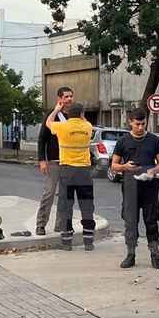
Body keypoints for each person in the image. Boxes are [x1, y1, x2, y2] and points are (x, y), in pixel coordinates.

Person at [111, 108, 159, 268]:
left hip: (150, 186)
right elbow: (114, 165)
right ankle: (130, 254)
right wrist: (125, 167)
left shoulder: (153, 140)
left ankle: (155, 254)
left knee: (151, 220)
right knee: (130, 221)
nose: (140, 127)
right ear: (130, 122)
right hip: (130, 186)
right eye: (137, 124)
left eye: (143, 124)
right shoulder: (123, 141)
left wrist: (153, 171)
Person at [45, 100, 95, 251]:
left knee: (65, 206)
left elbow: (48, 122)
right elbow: (85, 121)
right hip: (84, 172)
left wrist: (56, 110)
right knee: (86, 205)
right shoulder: (87, 126)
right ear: (81, 114)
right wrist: (82, 117)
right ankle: (88, 242)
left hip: (67, 171)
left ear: (69, 114)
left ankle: (66, 242)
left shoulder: (62, 127)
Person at [34, 87, 73, 235]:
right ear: (59, 99)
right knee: (49, 193)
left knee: (65, 194)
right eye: (66, 97)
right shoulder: (52, 116)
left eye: (71, 96)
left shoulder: (74, 116)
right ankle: (41, 224)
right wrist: (42, 160)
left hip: (69, 161)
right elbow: (42, 138)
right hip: (54, 161)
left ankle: (60, 224)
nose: (69, 99)